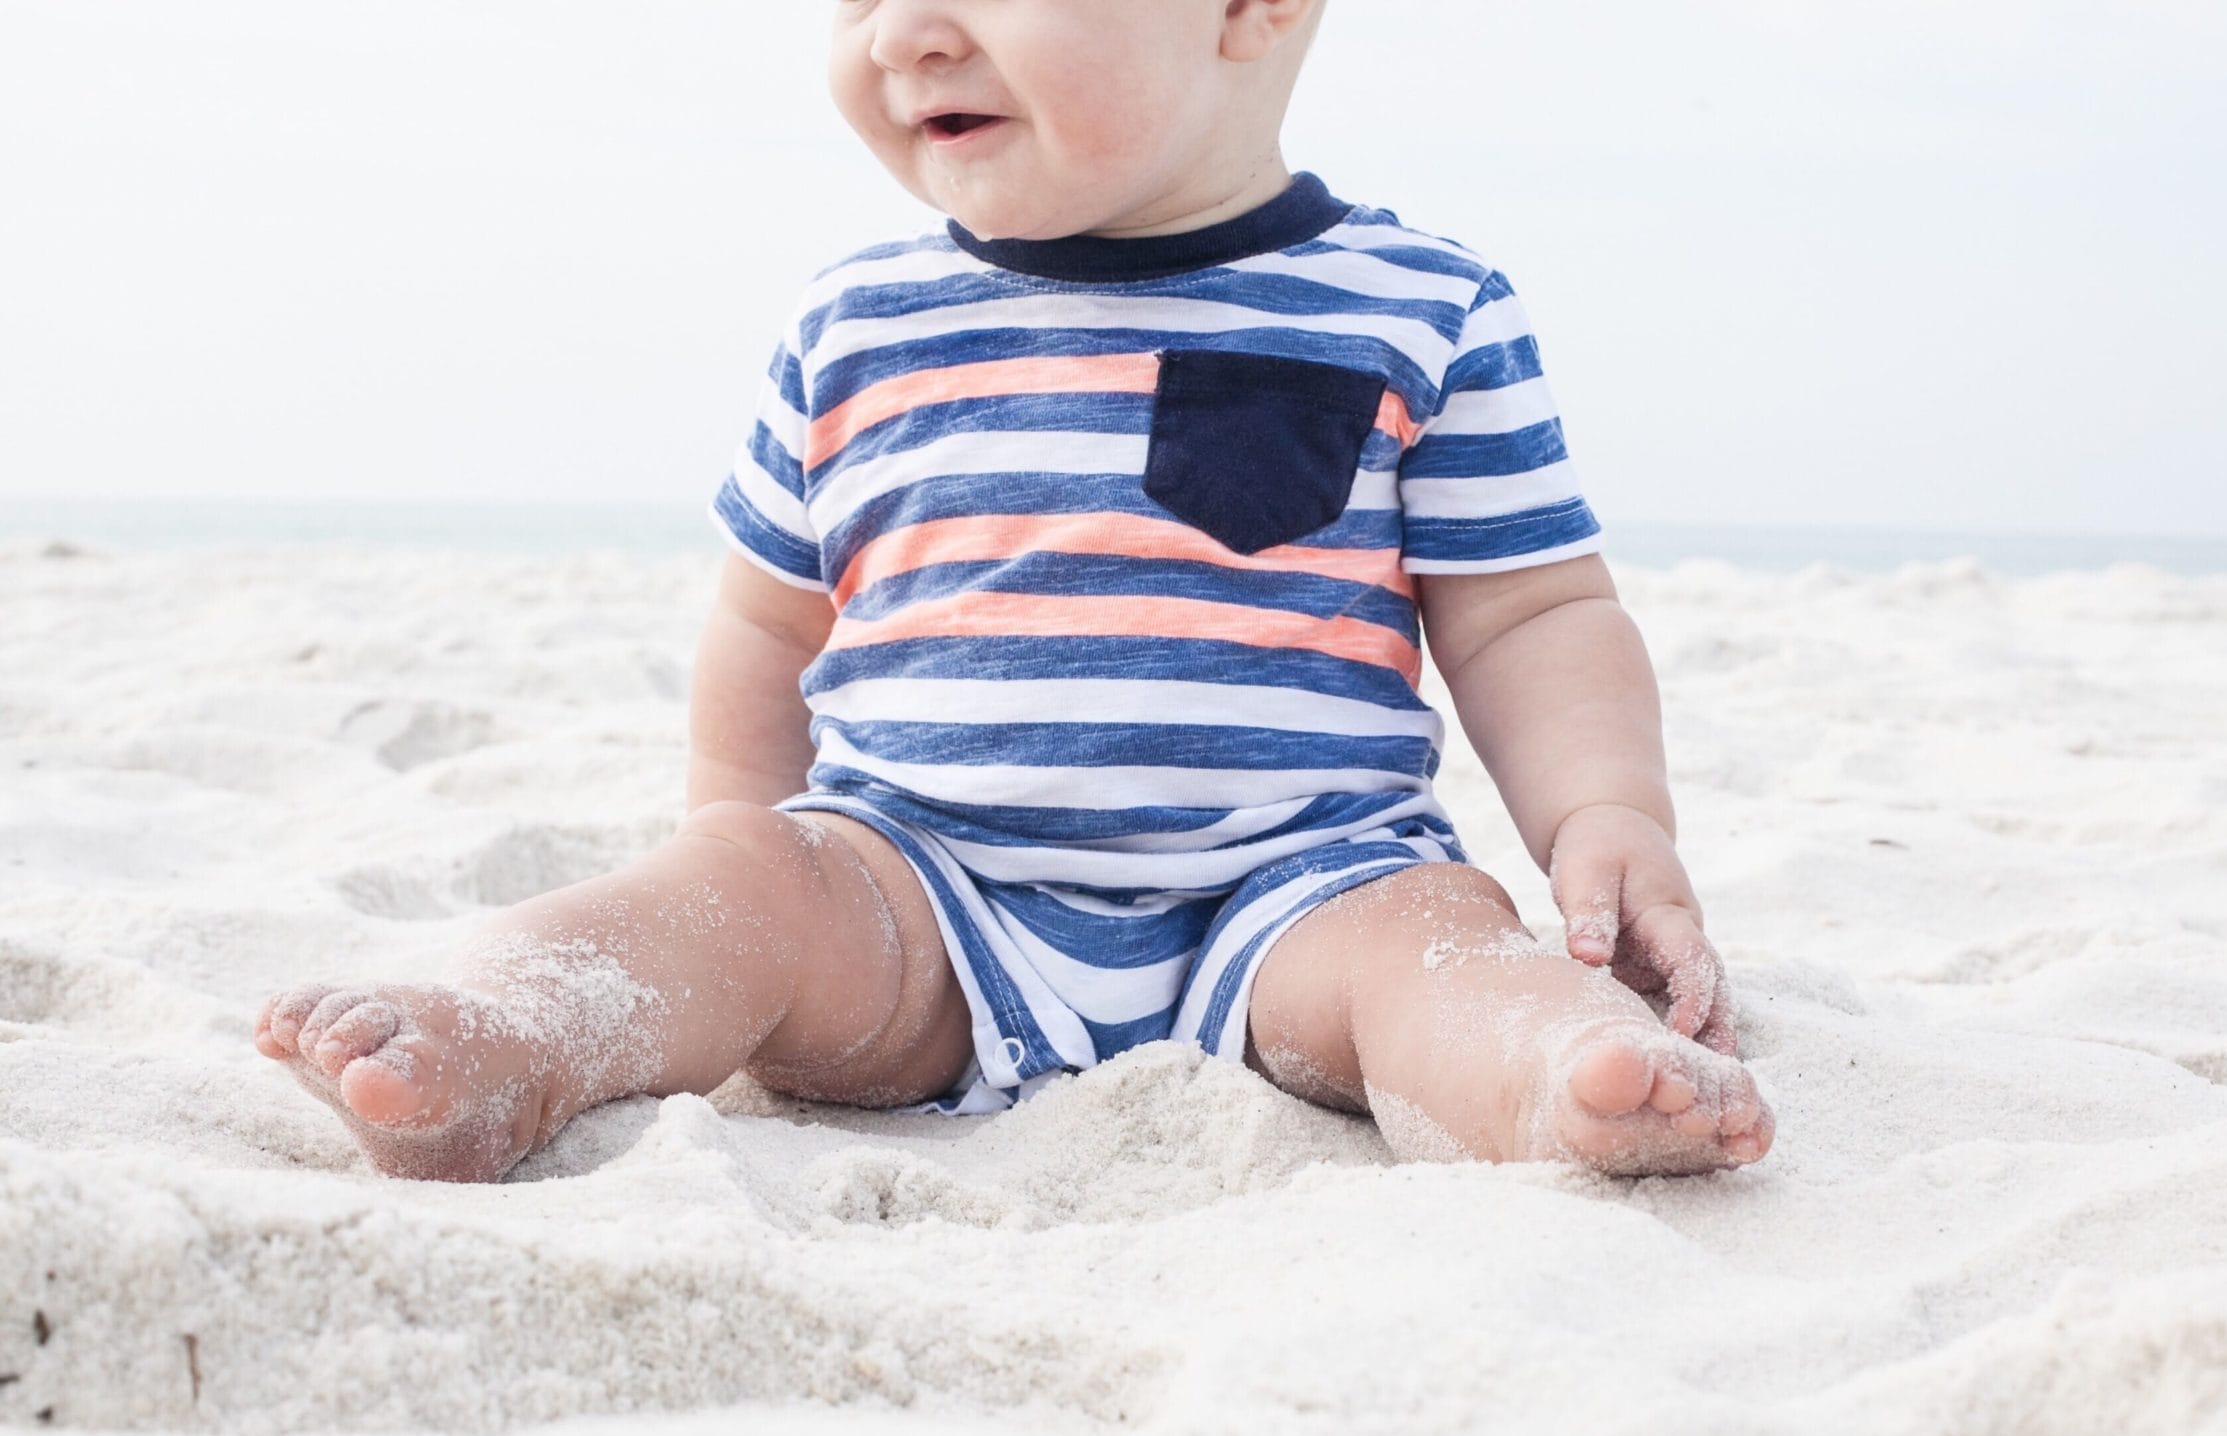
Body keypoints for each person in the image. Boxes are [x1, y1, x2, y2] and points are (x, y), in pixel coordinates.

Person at [254, 0, 1777, 1183]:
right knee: (724, 893)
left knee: (1442, 937)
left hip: (1300, 884)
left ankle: (1560, 1079)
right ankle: (524, 1027)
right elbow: (771, 625)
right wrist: (745, 858)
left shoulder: (1416, 303)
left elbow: (1526, 613)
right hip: (923, 886)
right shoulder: (855, 320)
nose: (900, 33)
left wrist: (1604, 819)